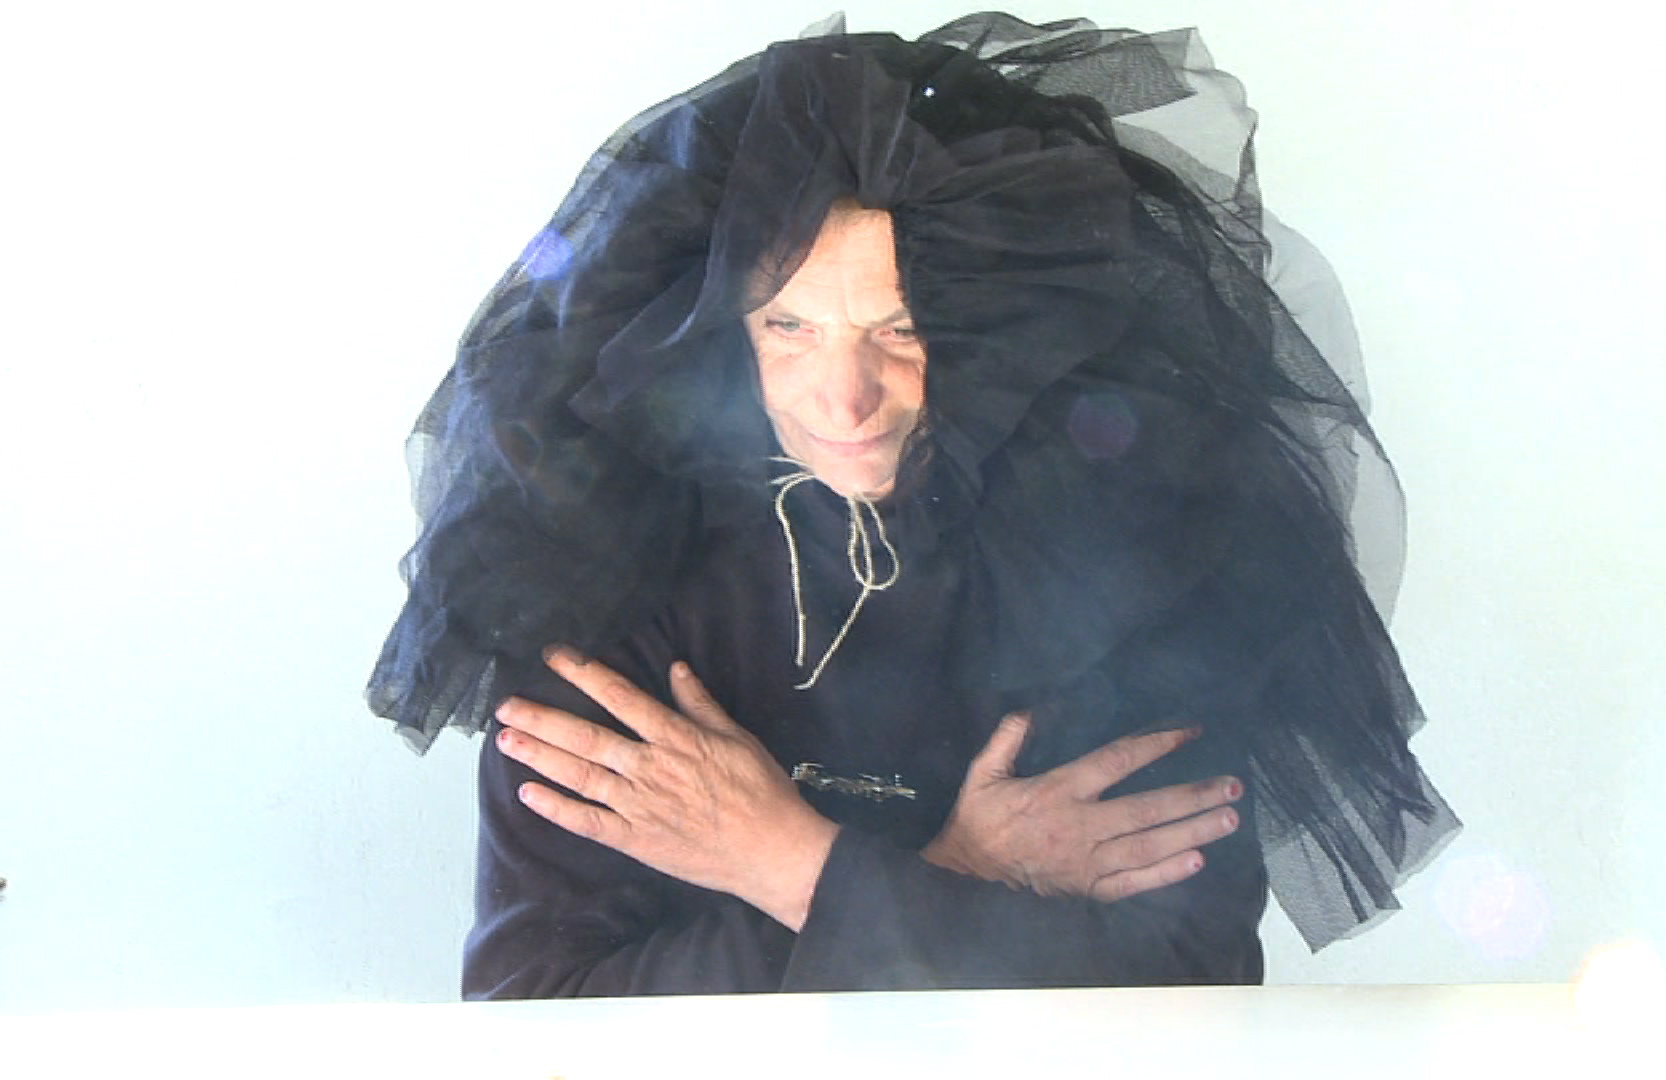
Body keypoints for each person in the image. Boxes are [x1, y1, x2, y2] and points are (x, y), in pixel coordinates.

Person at [368, 12, 1458, 996]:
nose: (845, 398)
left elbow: (1189, 982)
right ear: (715, 319)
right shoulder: (600, 562)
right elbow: (537, 1013)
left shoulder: (1131, 552)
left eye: (901, 329)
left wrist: (790, 865)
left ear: (998, 319)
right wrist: (956, 869)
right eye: (789, 327)